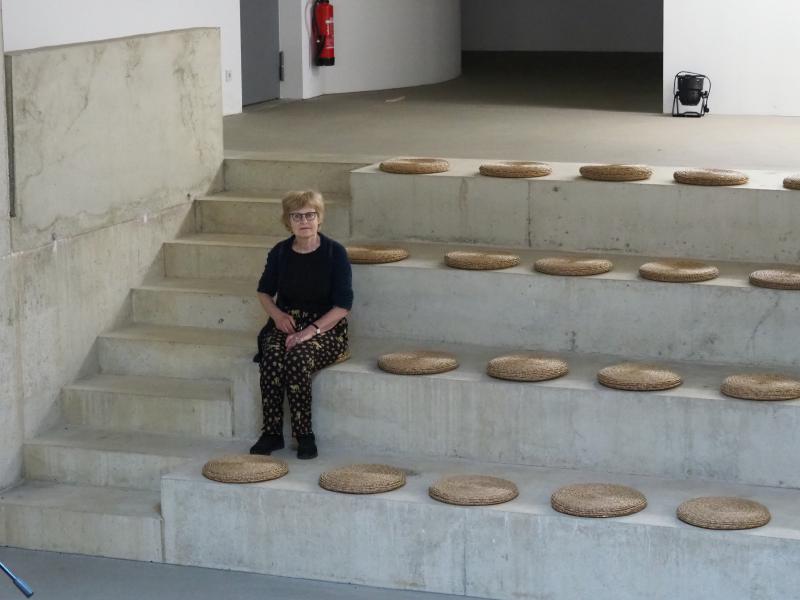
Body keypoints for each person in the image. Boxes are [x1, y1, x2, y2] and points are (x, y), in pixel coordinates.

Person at [250, 190, 352, 459]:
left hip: (325, 327)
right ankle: (272, 433)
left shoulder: (335, 252)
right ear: (288, 221)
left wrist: (310, 331)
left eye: (310, 215)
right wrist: (277, 316)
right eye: (296, 216)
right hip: (287, 322)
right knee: (272, 355)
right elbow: (264, 292)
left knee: (297, 358)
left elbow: (343, 306)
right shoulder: (280, 252)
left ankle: (304, 435)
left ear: (319, 218)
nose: (304, 221)